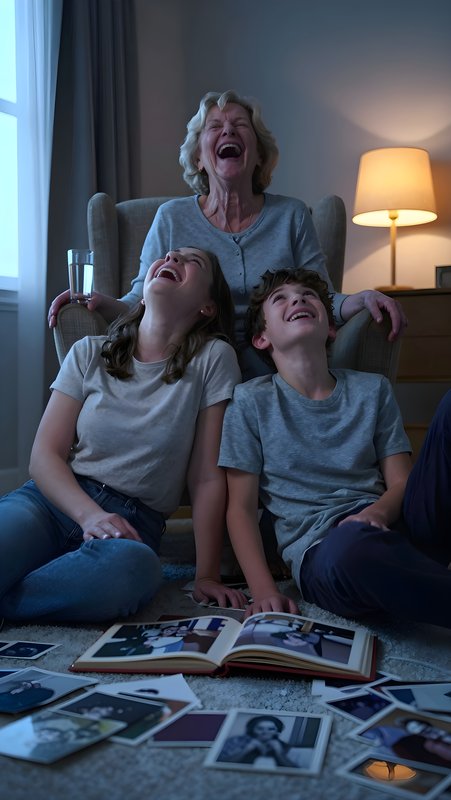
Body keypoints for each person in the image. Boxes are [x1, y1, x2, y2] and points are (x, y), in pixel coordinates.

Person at [48, 89, 406, 381]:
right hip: (192, 361)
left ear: (258, 156)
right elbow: (143, 299)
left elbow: (321, 295)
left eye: (239, 125)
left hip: (273, 361)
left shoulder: (291, 215)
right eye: (214, 126)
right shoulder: (171, 217)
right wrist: (93, 300)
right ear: (200, 158)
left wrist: (361, 299)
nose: (228, 131)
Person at [0, 247, 245, 623]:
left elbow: (206, 477)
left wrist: (206, 573)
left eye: (191, 261)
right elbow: (44, 456)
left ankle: (12, 604)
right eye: (168, 256)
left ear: (207, 307)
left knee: (134, 572)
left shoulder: (214, 359)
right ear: (143, 291)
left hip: (132, 526)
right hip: (51, 505)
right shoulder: (88, 352)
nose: (172, 259)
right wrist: (90, 516)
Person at [218, 266, 451, 629]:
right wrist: (263, 589)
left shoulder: (372, 389)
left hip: (396, 523)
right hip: (327, 551)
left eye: (308, 296)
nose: (297, 299)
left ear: (330, 327)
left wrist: (377, 514)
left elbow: (402, 483)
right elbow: (241, 509)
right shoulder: (250, 402)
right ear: (262, 338)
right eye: (281, 299)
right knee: (354, 549)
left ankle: (417, 572)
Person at [217, 714, 298, 767]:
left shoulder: (285, 746)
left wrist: (279, 753)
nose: (265, 732)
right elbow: (220, 763)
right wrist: (246, 749)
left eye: (271, 729)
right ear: (252, 730)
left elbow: (296, 770)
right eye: (260, 728)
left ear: (277, 731)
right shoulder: (235, 741)